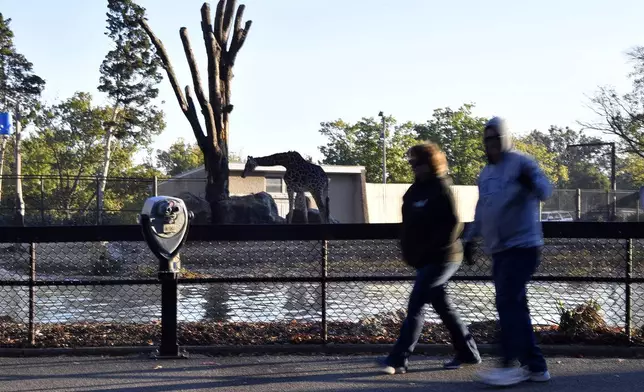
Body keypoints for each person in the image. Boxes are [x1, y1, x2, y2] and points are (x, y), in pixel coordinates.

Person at [462, 117, 553, 387]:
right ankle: (536, 366)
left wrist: (530, 183)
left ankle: (508, 363)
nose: (491, 145)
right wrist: (470, 238)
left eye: (495, 139)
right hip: (500, 249)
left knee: (508, 304)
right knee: (514, 307)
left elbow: (546, 190)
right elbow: (483, 208)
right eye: (487, 140)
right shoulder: (486, 173)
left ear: (505, 139)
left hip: (524, 245)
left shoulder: (522, 163)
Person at [380, 142, 480, 375]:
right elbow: (407, 226)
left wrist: (432, 249)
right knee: (443, 306)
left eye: (418, 162)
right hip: (424, 260)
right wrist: (410, 252)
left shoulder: (442, 188)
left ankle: (398, 359)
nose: (413, 167)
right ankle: (469, 353)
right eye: (412, 162)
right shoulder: (414, 191)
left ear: (430, 163)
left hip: (445, 257)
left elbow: (455, 223)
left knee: (416, 304)